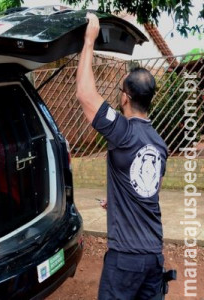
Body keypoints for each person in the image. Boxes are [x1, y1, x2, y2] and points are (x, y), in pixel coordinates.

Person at [75, 13, 168, 299]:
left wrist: (89, 42)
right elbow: (144, 188)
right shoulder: (160, 144)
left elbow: (84, 94)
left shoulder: (123, 131)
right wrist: (116, 201)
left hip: (126, 259)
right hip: (154, 256)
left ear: (125, 97)